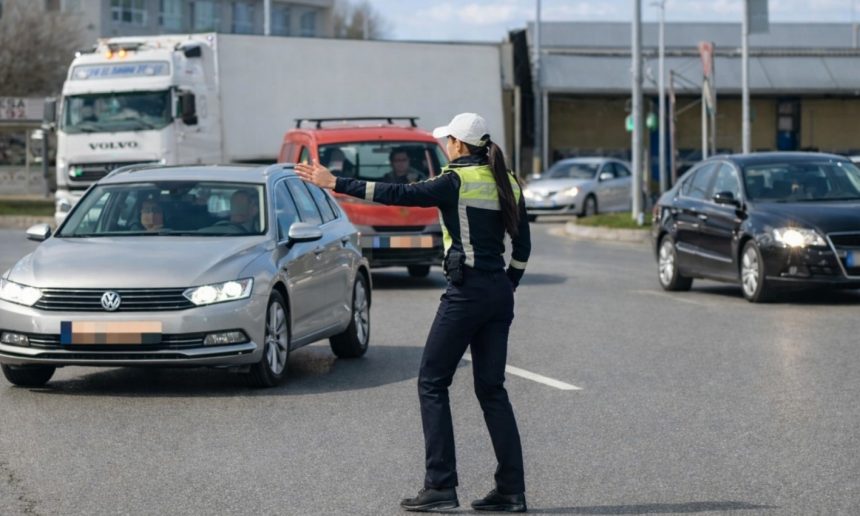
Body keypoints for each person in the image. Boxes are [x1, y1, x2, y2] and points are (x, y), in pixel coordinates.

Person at [296, 112, 531, 513]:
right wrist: (507, 284)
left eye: (448, 141)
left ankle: (440, 486)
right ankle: (512, 491)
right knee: (492, 390)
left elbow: (398, 195)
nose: (445, 146)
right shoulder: (507, 181)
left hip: (467, 294)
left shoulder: (454, 180)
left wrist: (336, 183)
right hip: (498, 293)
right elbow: (522, 247)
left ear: (458, 144)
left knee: (432, 382)